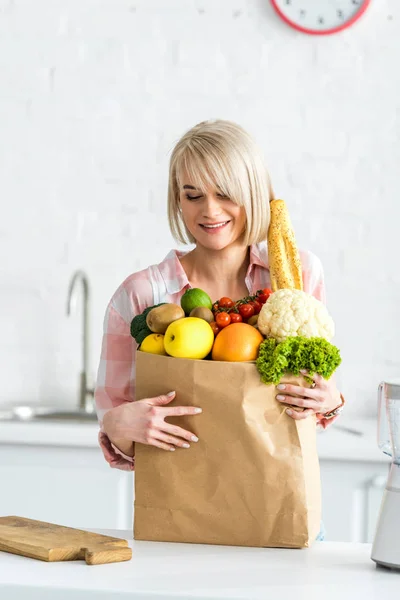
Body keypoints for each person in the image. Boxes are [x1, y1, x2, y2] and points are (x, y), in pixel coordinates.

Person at [94, 119, 344, 473]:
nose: (209, 210)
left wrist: (330, 401)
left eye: (225, 193)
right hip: (181, 512)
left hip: (277, 503)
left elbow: (319, 400)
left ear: (254, 193)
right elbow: (116, 423)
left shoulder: (298, 275)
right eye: (193, 195)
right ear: (178, 200)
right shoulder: (140, 295)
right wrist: (117, 426)